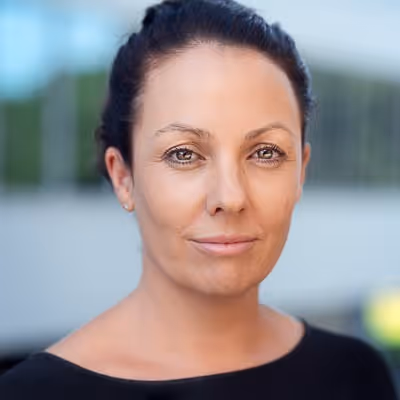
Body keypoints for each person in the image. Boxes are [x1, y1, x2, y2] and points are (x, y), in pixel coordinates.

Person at [0, 0, 398, 398]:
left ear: (301, 173)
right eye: (183, 154)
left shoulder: (356, 374)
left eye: (265, 153)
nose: (231, 197)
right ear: (123, 178)